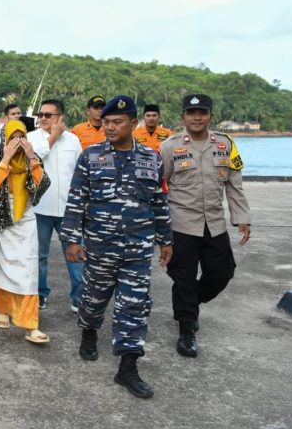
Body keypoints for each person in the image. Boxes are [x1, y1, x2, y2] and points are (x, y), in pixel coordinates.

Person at [62, 95, 173, 399]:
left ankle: (128, 367)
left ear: (133, 124)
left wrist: (166, 239)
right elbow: (76, 200)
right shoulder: (91, 156)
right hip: (100, 246)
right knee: (93, 297)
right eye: (106, 121)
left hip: (139, 247)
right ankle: (89, 331)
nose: (109, 127)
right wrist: (72, 239)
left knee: (134, 306)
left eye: (117, 122)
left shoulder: (151, 158)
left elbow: (159, 201)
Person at [160, 94, 251, 358]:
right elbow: (158, 188)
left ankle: (189, 302)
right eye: (191, 112)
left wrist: (242, 217)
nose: (197, 117)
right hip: (181, 225)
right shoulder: (169, 147)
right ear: (183, 117)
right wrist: (158, 230)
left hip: (214, 224)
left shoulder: (226, 143)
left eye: (202, 112)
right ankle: (187, 329)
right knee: (183, 277)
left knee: (223, 273)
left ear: (210, 115)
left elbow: (234, 184)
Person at [0, 119, 51, 344]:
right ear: (5, 139)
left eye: (21, 137)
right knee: (0, 269)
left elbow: (42, 186)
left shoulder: (33, 158)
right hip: (1, 217)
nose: (18, 141)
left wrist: (31, 158)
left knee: (28, 272)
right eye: (13, 137)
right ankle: (4, 309)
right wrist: (6, 159)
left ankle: (31, 325)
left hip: (25, 218)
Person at [28, 99, 83, 312]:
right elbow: (34, 158)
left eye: (48, 115)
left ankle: (79, 297)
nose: (42, 118)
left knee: (75, 255)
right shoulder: (31, 138)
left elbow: (79, 172)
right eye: (40, 114)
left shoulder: (73, 140)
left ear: (60, 117)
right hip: (40, 208)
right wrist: (53, 137)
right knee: (39, 255)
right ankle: (40, 294)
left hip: (69, 209)